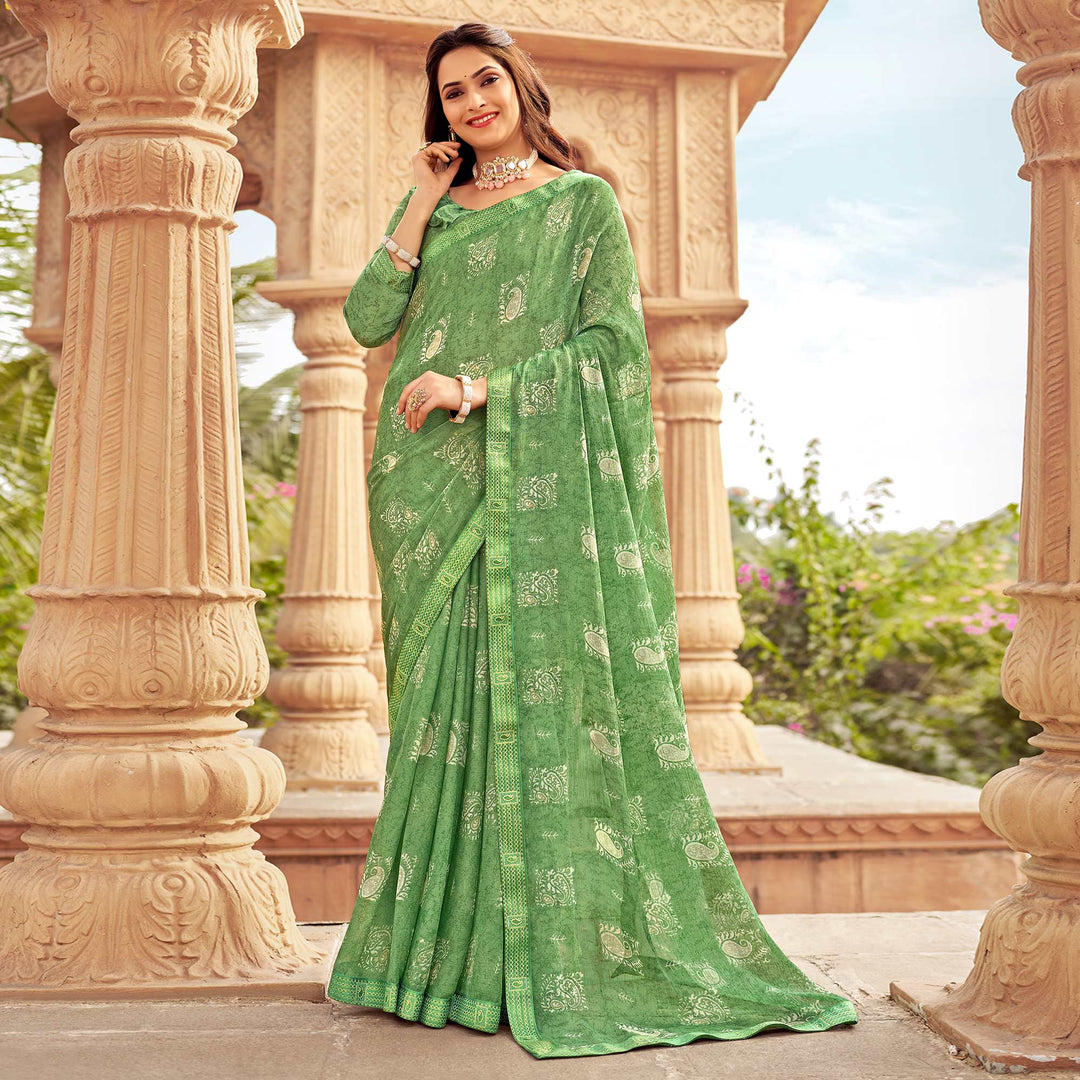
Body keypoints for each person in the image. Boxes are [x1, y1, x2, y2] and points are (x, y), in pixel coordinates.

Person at [325, 20, 858, 1059]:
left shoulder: (581, 204)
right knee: (439, 715)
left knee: (539, 705)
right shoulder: (435, 206)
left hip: (528, 475)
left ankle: (534, 962)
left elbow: (613, 349)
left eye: (487, 80)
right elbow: (364, 318)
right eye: (453, 92)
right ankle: (434, 964)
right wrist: (422, 197)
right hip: (426, 488)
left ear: (522, 87)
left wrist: (477, 386)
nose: (473, 102)